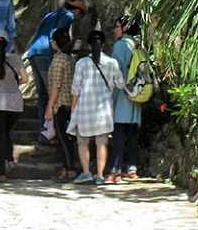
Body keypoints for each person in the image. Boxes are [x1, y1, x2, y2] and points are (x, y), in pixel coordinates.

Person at [67, 30, 125, 185]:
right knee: (101, 142)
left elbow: (75, 89)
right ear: (104, 44)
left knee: (83, 142)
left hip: (84, 108)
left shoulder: (81, 63)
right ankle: (99, 175)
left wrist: (73, 109)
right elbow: (121, 83)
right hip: (103, 110)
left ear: (88, 45)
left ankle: (86, 173)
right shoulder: (111, 63)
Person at [26, 0, 86, 143]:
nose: (77, 18)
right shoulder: (68, 16)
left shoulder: (51, 14)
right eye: (80, 15)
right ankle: (54, 133)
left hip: (34, 53)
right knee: (52, 94)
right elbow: (57, 34)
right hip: (46, 54)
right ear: (77, 11)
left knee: (42, 96)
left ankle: (44, 131)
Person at [0, 30, 29, 182]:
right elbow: (25, 79)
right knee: (7, 132)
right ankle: (10, 160)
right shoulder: (16, 59)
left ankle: (1, 172)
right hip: (16, 103)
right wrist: (14, 83)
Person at [107, 16, 143, 183]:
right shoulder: (138, 46)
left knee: (119, 134)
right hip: (137, 95)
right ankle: (132, 168)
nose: (115, 30)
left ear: (125, 28)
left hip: (122, 96)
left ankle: (116, 169)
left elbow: (115, 72)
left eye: (117, 26)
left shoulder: (120, 46)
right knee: (133, 133)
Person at [45, 29, 77, 182]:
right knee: (68, 138)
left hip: (60, 103)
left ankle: (69, 169)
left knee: (63, 138)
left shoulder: (58, 60)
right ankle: (67, 167)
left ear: (56, 43)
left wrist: (49, 107)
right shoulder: (70, 58)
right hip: (70, 102)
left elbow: (56, 86)